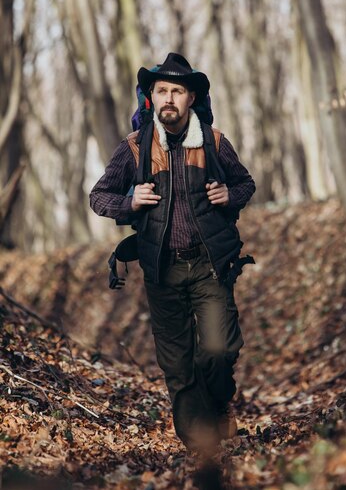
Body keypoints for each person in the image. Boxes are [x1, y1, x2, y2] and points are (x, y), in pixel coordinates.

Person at [89, 52, 256, 453]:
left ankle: (218, 408)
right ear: (150, 97)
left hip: (209, 265)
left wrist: (228, 194)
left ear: (191, 97)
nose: (168, 98)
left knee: (218, 350)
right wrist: (130, 203)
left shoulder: (214, 142)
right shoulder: (133, 149)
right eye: (161, 90)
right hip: (161, 270)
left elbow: (245, 184)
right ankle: (202, 449)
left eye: (177, 91)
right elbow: (99, 196)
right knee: (178, 368)